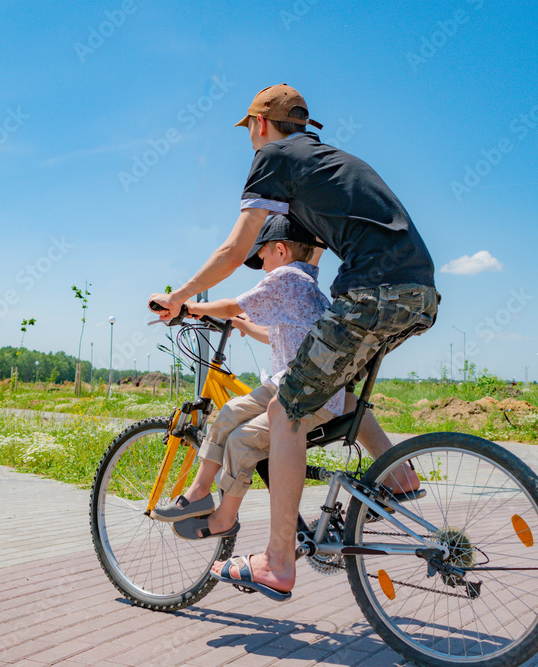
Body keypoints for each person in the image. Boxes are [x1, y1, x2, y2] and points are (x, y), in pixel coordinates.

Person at [148, 83, 438, 601]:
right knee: (335, 382)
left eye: (249, 132)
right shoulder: (327, 163)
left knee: (286, 411)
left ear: (259, 125)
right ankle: (399, 478)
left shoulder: (275, 156)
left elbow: (236, 247)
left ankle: (278, 561)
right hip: (418, 293)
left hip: (372, 291)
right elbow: (317, 242)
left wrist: (180, 298)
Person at [151, 216, 419, 543]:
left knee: (237, 433)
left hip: (299, 391)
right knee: (231, 413)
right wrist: (244, 326)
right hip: (302, 384)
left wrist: (190, 306)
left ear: (280, 250)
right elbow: (287, 334)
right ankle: (199, 493)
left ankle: (219, 512)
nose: (261, 265)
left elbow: (234, 304)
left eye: (262, 257)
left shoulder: (285, 278)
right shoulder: (307, 287)